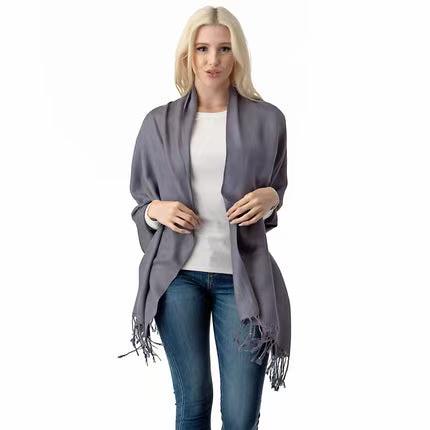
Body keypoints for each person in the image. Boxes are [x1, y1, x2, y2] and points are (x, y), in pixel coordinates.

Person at [119, 6, 291, 429]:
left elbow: (276, 192)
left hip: (243, 278)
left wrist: (271, 197)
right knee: (193, 404)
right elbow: (141, 204)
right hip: (178, 278)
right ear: (188, 56)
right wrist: (156, 210)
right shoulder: (158, 123)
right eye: (202, 49)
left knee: (241, 416)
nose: (213, 60)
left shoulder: (268, 120)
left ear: (238, 55)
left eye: (224, 49)